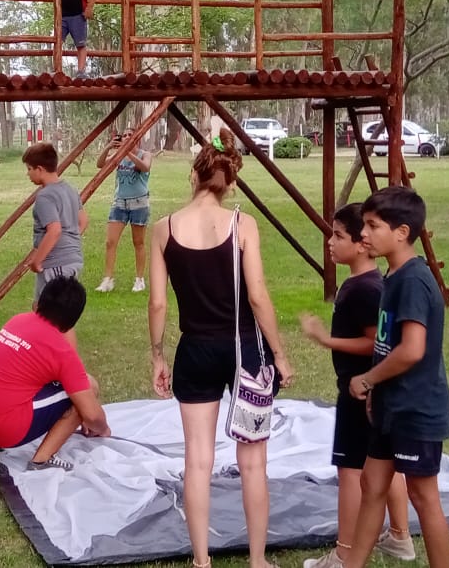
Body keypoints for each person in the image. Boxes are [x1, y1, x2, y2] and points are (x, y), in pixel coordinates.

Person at [148, 128, 293, 568]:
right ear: (229, 183)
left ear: (194, 175)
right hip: (246, 352)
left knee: (197, 462)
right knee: (253, 463)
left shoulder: (162, 229)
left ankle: (201, 560)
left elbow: (157, 302)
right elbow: (257, 296)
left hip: (194, 350)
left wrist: (157, 354)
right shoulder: (242, 224)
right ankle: (256, 560)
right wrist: (280, 355)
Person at [299, 203, 414, 568]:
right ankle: (399, 536)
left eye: (338, 235)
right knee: (381, 462)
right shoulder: (367, 283)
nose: (330, 242)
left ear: (362, 244)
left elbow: (373, 342)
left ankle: (344, 554)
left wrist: (327, 340)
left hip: (359, 389)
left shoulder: (364, 290)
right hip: (371, 390)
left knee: (350, 470)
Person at [342, 186, 449, 568]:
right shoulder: (393, 274)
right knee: (372, 484)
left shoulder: (413, 280)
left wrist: (368, 380)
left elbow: (412, 349)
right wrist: (378, 392)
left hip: (416, 409)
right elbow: (387, 341)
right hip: (391, 406)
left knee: (424, 498)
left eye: (372, 226)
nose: (364, 234)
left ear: (402, 232)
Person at [0, 276, 110, 470]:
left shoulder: (18, 320)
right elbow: (93, 415)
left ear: (40, 302)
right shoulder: (62, 351)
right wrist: (103, 428)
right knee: (88, 387)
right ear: (72, 321)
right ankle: (43, 459)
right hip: (5, 429)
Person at [23, 143, 88, 310]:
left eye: (29, 169)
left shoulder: (45, 196)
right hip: (71, 260)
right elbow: (83, 221)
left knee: (54, 314)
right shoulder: (70, 189)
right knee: (39, 308)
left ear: (40, 169)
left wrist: (37, 261)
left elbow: (55, 230)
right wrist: (70, 242)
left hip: (57, 263)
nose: (27, 174)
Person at [95, 125, 152, 294]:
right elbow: (100, 165)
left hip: (139, 203)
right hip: (120, 202)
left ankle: (139, 279)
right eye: (124, 135)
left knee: (138, 242)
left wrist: (127, 152)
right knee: (110, 242)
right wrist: (108, 147)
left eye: (130, 135)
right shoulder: (118, 155)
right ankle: (108, 279)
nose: (126, 137)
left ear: (137, 138)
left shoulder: (144, 154)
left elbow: (145, 167)